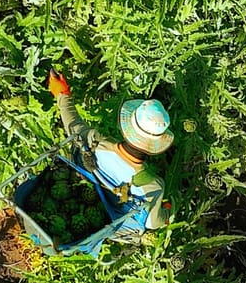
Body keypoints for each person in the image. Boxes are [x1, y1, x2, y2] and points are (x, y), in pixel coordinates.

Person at [48, 72, 174, 231]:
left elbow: (72, 124)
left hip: (74, 186)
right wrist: (170, 209)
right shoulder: (153, 186)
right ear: (156, 145)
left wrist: (62, 94)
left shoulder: (95, 142)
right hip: (111, 221)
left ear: (127, 127)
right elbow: (152, 223)